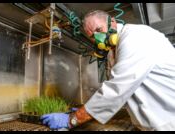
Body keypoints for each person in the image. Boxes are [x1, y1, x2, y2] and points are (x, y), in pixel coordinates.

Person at [40, 10, 175, 131]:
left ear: (113, 22)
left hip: (168, 121)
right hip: (152, 123)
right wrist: (87, 110)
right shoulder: (113, 53)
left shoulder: (136, 36)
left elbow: (116, 89)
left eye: (99, 29)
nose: (97, 37)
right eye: (92, 35)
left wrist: (72, 119)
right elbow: (122, 94)